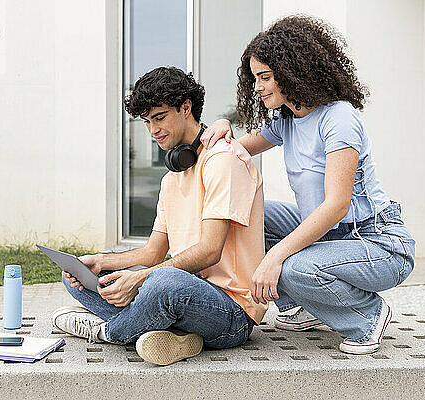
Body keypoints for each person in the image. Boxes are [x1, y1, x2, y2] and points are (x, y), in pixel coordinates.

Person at [201, 15, 415, 355]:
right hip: (331, 234)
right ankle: (303, 306)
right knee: (254, 215)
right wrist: (223, 125)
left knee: (290, 266)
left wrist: (274, 257)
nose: (258, 87)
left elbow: (336, 206)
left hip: (376, 241)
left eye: (266, 77)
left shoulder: (339, 118)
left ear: (293, 72)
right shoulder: (289, 118)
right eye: (255, 78)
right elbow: (239, 146)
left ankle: (368, 316)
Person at [51, 66, 267, 365]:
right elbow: (153, 252)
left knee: (163, 284)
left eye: (160, 117)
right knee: (80, 275)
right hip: (182, 292)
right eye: (147, 121)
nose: (153, 130)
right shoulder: (172, 178)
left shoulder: (223, 161)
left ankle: (109, 331)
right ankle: (174, 335)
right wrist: (99, 262)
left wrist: (139, 279)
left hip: (231, 312)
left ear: (185, 108)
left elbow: (209, 252)